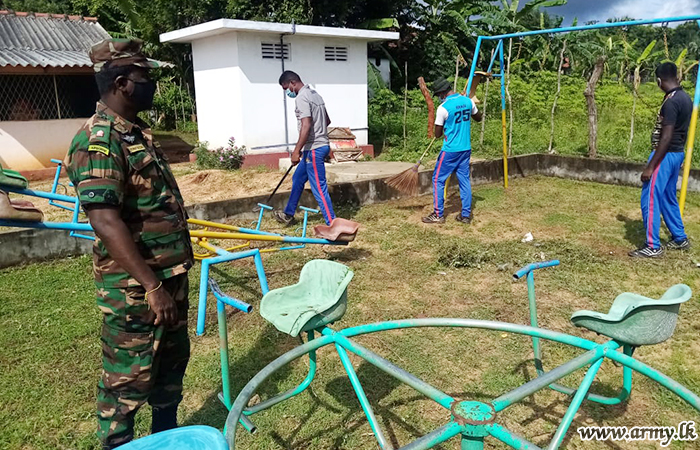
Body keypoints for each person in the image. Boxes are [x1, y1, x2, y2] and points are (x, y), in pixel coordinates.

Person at [64, 38, 194, 448]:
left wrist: (166, 283)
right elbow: (104, 219)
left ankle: (165, 439)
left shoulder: (137, 134)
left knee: (170, 371)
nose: (151, 84)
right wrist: (153, 287)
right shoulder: (99, 140)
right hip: (136, 290)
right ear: (122, 83)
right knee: (127, 381)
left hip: (168, 278)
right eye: (144, 77)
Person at [629, 62, 691, 258]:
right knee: (667, 196)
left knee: (651, 198)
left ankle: (653, 246)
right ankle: (680, 238)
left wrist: (650, 167)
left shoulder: (671, 102)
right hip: (676, 154)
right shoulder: (685, 97)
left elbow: (666, 136)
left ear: (659, 80)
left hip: (664, 155)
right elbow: (684, 131)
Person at [273, 71, 336, 226]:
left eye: (286, 88)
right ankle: (288, 214)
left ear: (293, 82)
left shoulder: (302, 97)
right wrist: (307, 144)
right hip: (314, 147)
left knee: (319, 189)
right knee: (298, 178)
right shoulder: (315, 95)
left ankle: (333, 223)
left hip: (314, 149)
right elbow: (326, 120)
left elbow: (306, 125)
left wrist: (296, 151)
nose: (288, 92)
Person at [423, 78, 482, 224]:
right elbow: (478, 118)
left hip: (450, 151)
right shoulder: (468, 101)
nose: (438, 97)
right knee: (464, 180)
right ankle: (466, 215)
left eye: (438, 95)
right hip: (465, 149)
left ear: (443, 93)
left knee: (438, 179)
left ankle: (438, 214)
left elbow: (437, 134)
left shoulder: (443, 108)